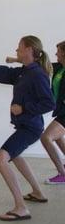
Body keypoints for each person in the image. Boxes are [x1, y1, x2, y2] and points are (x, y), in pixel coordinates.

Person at [0, 36, 54, 221]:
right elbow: (2, 73)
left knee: (1, 159)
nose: (16, 50)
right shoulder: (24, 72)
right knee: (14, 156)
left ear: (29, 50)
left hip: (31, 128)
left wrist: (24, 108)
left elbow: (49, 103)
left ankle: (20, 207)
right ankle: (37, 192)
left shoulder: (37, 74)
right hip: (26, 126)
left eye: (19, 48)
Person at [37, 40, 65, 184]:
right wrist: (15, 59)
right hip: (61, 111)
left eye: (58, 51)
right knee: (57, 137)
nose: (56, 54)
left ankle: (63, 173)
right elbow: (41, 65)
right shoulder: (60, 67)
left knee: (46, 138)